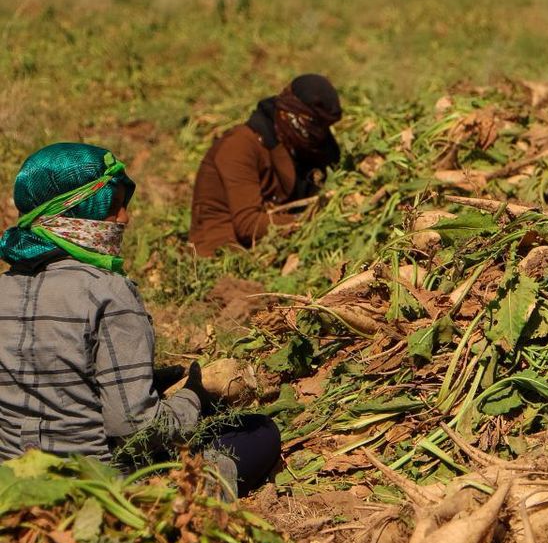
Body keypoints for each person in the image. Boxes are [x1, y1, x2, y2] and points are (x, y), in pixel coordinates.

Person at [0, 143, 281, 498]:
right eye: (113, 207)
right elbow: (134, 427)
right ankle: (186, 502)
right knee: (257, 432)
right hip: (97, 488)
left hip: (14, 483)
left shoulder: (4, 288)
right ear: (78, 213)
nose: (125, 218)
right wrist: (194, 398)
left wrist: (158, 380)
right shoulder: (107, 292)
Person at [190, 74, 342, 256]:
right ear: (290, 115)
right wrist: (311, 219)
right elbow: (248, 224)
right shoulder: (240, 145)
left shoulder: (300, 146)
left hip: (273, 245)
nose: (320, 135)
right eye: (314, 125)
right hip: (224, 251)